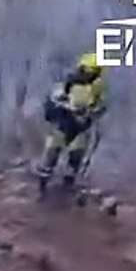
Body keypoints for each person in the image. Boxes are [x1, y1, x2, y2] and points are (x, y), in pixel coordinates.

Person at [36, 52, 107, 192]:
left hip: (81, 126)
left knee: (76, 154)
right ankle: (42, 186)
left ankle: (67, 187)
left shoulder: (97, 87)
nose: (93, 75)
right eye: (91, 71)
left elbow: (101, 105)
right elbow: (53, 99)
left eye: (96, 72)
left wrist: (92, 113)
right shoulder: (68, 82)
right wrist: (65, 107)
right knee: (52, 151)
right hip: (63, 124)